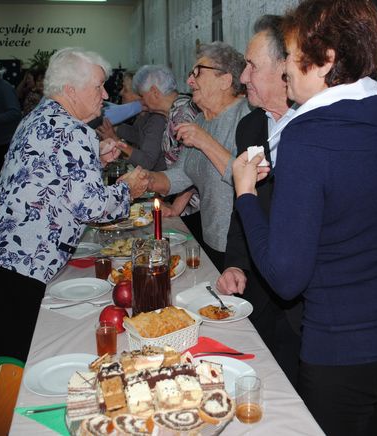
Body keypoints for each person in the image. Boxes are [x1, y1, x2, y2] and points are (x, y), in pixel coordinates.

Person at [232, 1, 377, 435]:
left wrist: (246, 194)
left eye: (290, 55)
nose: (285, 68)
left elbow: (286, 278)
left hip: (348, 347)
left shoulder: (307, 137)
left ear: (326, 60)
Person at [0, 47, 148, 377]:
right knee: (11, 361)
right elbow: (91, 205)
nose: (105, 95)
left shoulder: (42, 114)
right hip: (18, 261)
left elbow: (54, 174)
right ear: (70, 90)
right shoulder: (72, 130)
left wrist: (94, 160)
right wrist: (128, 189)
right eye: (99, 87)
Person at [215, 15, 302, 387]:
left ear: (285, 68)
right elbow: (245, 203)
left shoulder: (315, 126)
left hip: (305, 308)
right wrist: (236, 264)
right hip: (259, 293)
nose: (244, 77)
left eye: (252, 66)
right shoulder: (250, 126)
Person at [144, 42, 250, 271]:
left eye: (198, 73)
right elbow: (181, 174)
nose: (190, 81)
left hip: (241, 250)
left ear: (225, 80)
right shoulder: (201, 120)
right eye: (191, 74)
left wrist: (204, 140)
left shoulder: (247, 117)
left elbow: (248, 179)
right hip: (211, 237)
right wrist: (144, 179)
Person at [128, 65, 200, 221]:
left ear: (154, 92)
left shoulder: (181, 114)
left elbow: (194, 167)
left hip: (195, 208)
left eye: (142, 95)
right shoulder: (174, 111)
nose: (142, 101)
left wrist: (176, 207)